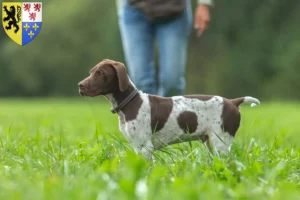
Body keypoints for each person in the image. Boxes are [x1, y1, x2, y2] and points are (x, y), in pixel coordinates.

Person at [117, 0, 214, 97]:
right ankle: (151, 112)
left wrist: (204, 4)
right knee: (141, 82)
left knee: (172, 83)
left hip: (174, 11)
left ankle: (166, 111)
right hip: (133, 9)